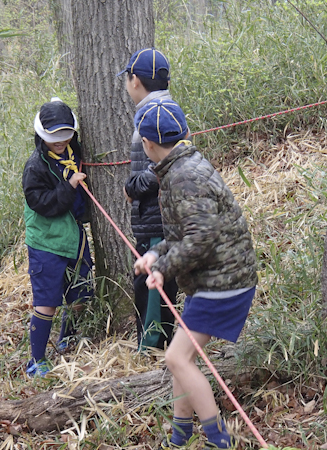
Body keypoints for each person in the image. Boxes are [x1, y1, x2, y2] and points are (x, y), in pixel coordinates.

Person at [132, 99, 257, 450]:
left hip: (225, 282)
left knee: (175, 358)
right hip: (217, 279)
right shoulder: (181, 166)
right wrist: (155, 254)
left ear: (148, 144)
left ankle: (219, 440)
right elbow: (184, 235)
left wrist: (161, 268)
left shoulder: (184, 177)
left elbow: (200, 240)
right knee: (180, 358)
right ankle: (180, 436)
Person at [22, 97, 93, 377]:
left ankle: (68, 338)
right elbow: (41, 203)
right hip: (46, 243)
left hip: (74, 237)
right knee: (47, 301)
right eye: (53, 137)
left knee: (80, 292)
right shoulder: (35, 166)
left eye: (65, 135)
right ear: (41, 135)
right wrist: (69, 186)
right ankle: (37, 360)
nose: (60, 141)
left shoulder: (74, 151)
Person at [116, 48, 179, 352]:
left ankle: (153, 350)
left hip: (158, 219)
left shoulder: (154, 115)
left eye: (127, 78)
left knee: (153, 286)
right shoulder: (160, 109)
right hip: (154, 219)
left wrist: (133, 187)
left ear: (135, 80)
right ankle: (155, 344)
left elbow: (164, 165)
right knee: (150, 284)